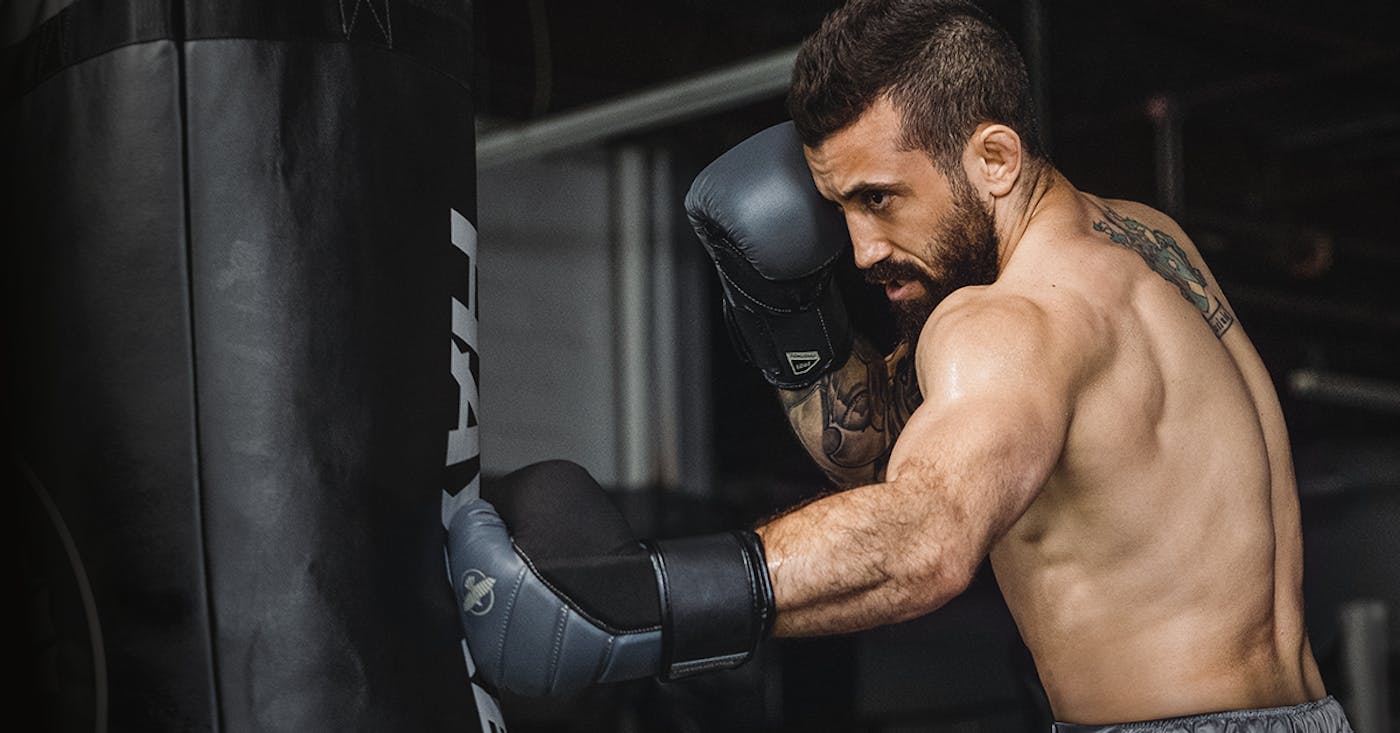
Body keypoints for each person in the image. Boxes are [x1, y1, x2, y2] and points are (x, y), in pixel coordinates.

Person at [445, 1, 1353, 731]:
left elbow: (925, 532)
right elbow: (895, 453)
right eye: (840, 208)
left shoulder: (1004, 322)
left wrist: (646, 599)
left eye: (880, 199)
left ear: (994, 156)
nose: (862, 248)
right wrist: (790, 328)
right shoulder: (1151, 243)